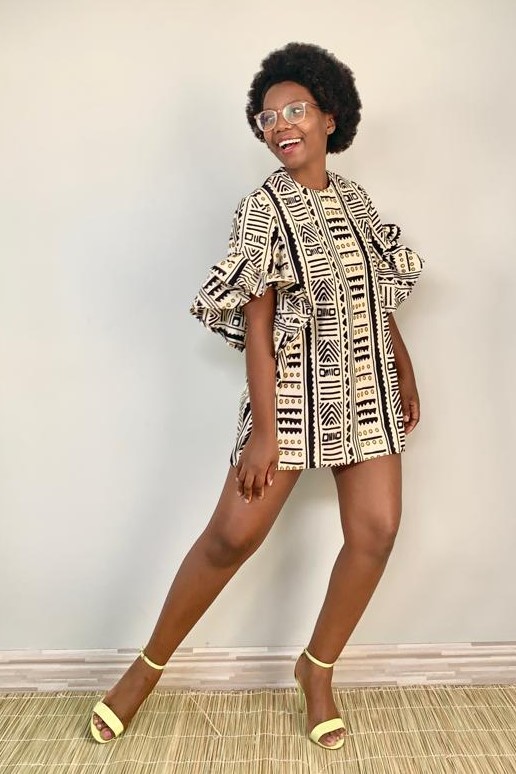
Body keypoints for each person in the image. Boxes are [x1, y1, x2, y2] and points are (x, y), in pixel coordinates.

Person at [90, 41, 423, 751]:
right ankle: (144, 672)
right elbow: (258, 328)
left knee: (376, 532)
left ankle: (317, 669)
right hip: (291, 394)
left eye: (295, 110)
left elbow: (378, 294)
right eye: (267, 118)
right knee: (233, 535)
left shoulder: (357, 201)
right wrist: (266, 433)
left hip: (366, 385)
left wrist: (402, 365)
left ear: (331, 117)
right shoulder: (262, 211)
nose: (280, 126)